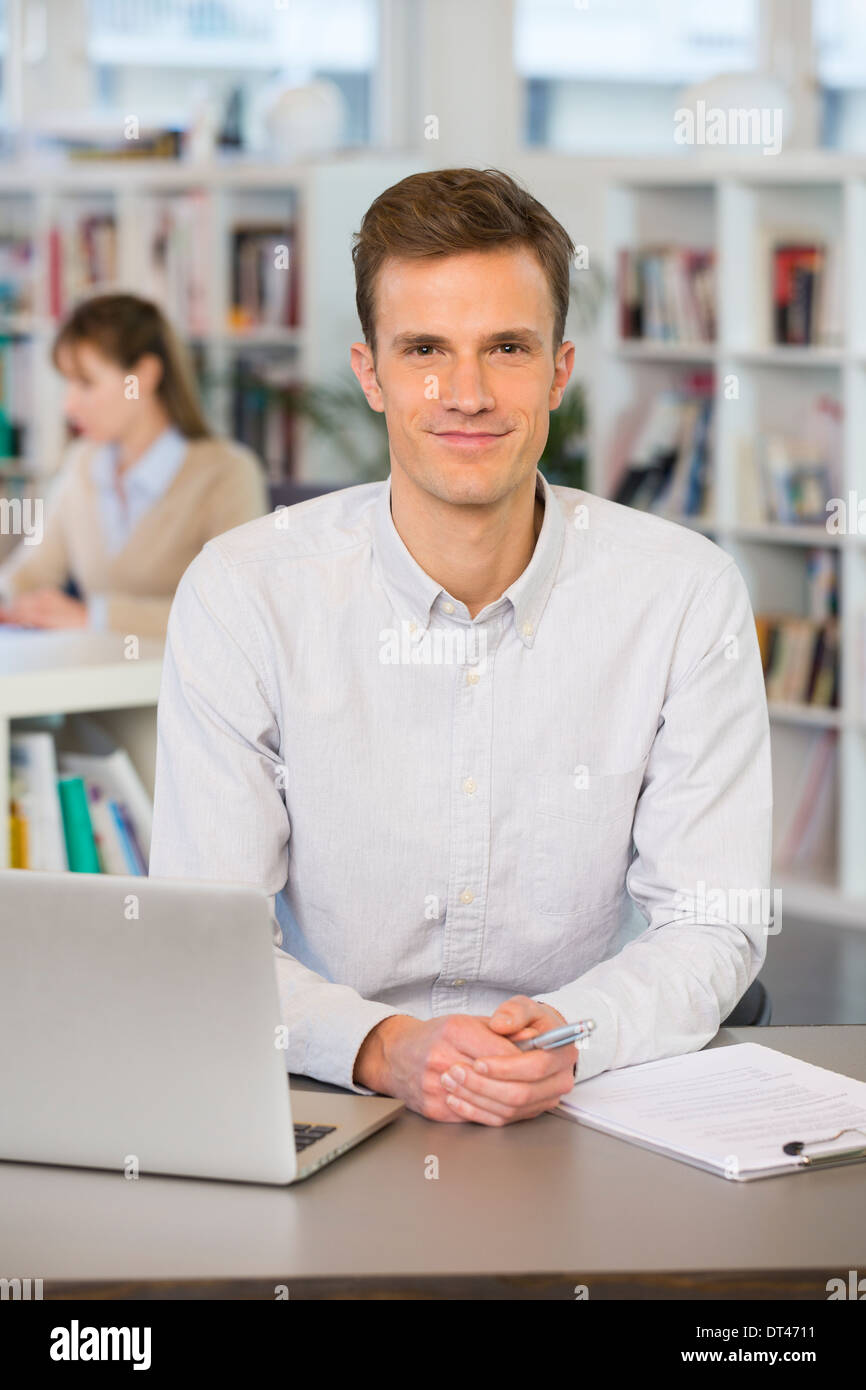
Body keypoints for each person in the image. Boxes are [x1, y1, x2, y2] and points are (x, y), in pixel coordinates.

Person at [149, 168, 772, 1126]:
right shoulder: (245, 595)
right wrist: (389, 1049)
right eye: (426, 348)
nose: (467, 392)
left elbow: (713, 918)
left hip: (586, 1095)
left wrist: (564, 1037)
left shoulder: (684, 595)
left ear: (558, 372)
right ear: (371, 373)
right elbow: (207, 937)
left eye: (508, 348)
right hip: (319, 1094)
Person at [0, 292, 267, 638]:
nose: (69, 405)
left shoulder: (227, 472)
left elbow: (237, 609)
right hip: (93, 675)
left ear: (142, 376)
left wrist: (95, 618)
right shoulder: (82, 462)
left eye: (86, 383)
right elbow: (32, 574)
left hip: (180, 686)